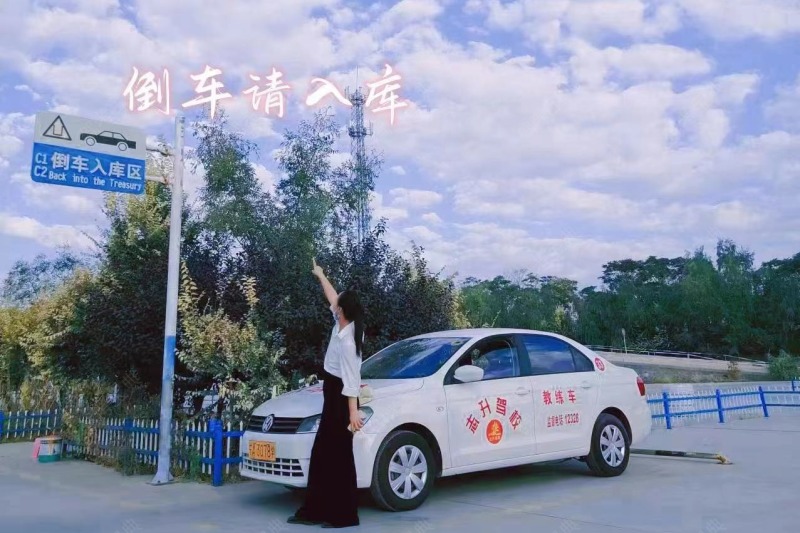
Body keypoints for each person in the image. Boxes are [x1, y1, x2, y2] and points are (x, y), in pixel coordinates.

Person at [288, 258, 365, 529]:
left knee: (339, 455)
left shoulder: (348, 341)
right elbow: (332, 296)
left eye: (338, 303)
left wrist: (353, 413)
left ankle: (344, 516)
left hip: (342, 397)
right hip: (333, 391)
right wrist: (320, 275)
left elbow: (352, 379)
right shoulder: (341, 321)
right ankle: (316, 510)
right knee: (323, 452)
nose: (334, 303)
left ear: (342, 311)